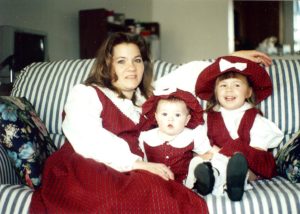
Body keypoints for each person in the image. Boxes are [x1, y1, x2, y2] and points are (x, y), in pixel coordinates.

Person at [29, 31, 273, 212]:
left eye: (137, 60)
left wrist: (229, 59)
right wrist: (138, 164)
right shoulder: (85, 93)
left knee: (163, 196)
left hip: (130, 171)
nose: (132, 68)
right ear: (107, 64)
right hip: (85, 164)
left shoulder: (147, 99)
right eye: (121, 61)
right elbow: (86, 136)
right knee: (120, 199)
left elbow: (187, 74)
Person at [193, 56, 284, 201]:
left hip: (246, 163)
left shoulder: (255, 118)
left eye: (236, 85)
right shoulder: (207, 117)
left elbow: (257, 151)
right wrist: (214, 154)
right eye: (223, 85)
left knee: (243, 164)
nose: (229, 90)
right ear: (215, 93)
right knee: (204, 162)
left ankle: (236, 180)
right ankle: (209, 180)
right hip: (215, 158)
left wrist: (233, 155)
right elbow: (200, 142)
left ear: (248, 92)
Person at [139, 88, 213, 185]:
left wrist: (198, 161)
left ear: (187, 119)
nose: (170, 119)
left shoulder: (192, 136)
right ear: (156, 117)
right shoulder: (146, 137)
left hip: (183, 183)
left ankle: (201, 181)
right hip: (155, 182)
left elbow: (208, 152)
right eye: (164, 114)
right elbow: (140, 161)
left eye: (177, 115)